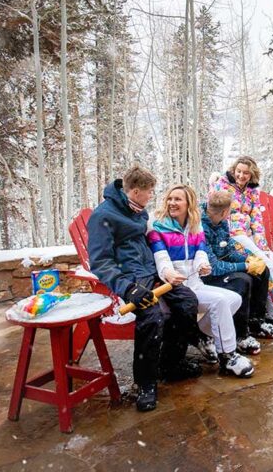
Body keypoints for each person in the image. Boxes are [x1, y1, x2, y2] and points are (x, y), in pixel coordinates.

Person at [87, 166, 201, 413]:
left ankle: (171, 364)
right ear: (136, 191)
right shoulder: (102, 217)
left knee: (188, 301)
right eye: (149, 192)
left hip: (151, 273)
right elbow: (100, 262)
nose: (152, 196)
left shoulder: (137, 210)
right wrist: (127, 289)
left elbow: (147, 240)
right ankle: (146, 382)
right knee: (152, 317)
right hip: (129, 280)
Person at [146, 184, 255, 378]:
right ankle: (228, 355)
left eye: (178, 199)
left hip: (195, 284)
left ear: (189, 203)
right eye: (170, 199)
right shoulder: (158, 227)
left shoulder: (195, 227)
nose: (172, 202)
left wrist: (203, 265)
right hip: (174, 287)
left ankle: (202, 335)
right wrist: (168, 273)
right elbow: (160, 257)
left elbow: (201, 252)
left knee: (234, 299)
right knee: (220, 302)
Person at [210, 156, 273, 331]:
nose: (241, 175)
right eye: (238, 171)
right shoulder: (223, 185)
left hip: (247, 237)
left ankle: (269, 314)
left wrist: (263, 247)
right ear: (234, 170)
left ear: (251, 174)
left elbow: (256, 220)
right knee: (266, 265)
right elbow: (214, 207)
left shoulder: (252, 191)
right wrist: (213, 184)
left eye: (245, 173)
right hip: (232, 236)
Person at [201, 191, 273, 347]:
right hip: (206, 276)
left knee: (262, 271)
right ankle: (240, 335)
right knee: (243, 280)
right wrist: (246, 266)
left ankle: (256, 321)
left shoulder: (221, 222)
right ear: (225, 211)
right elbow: (213, 267)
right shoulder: (202, 228)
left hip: (220, 269)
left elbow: (228, 249)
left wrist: (248, 260)